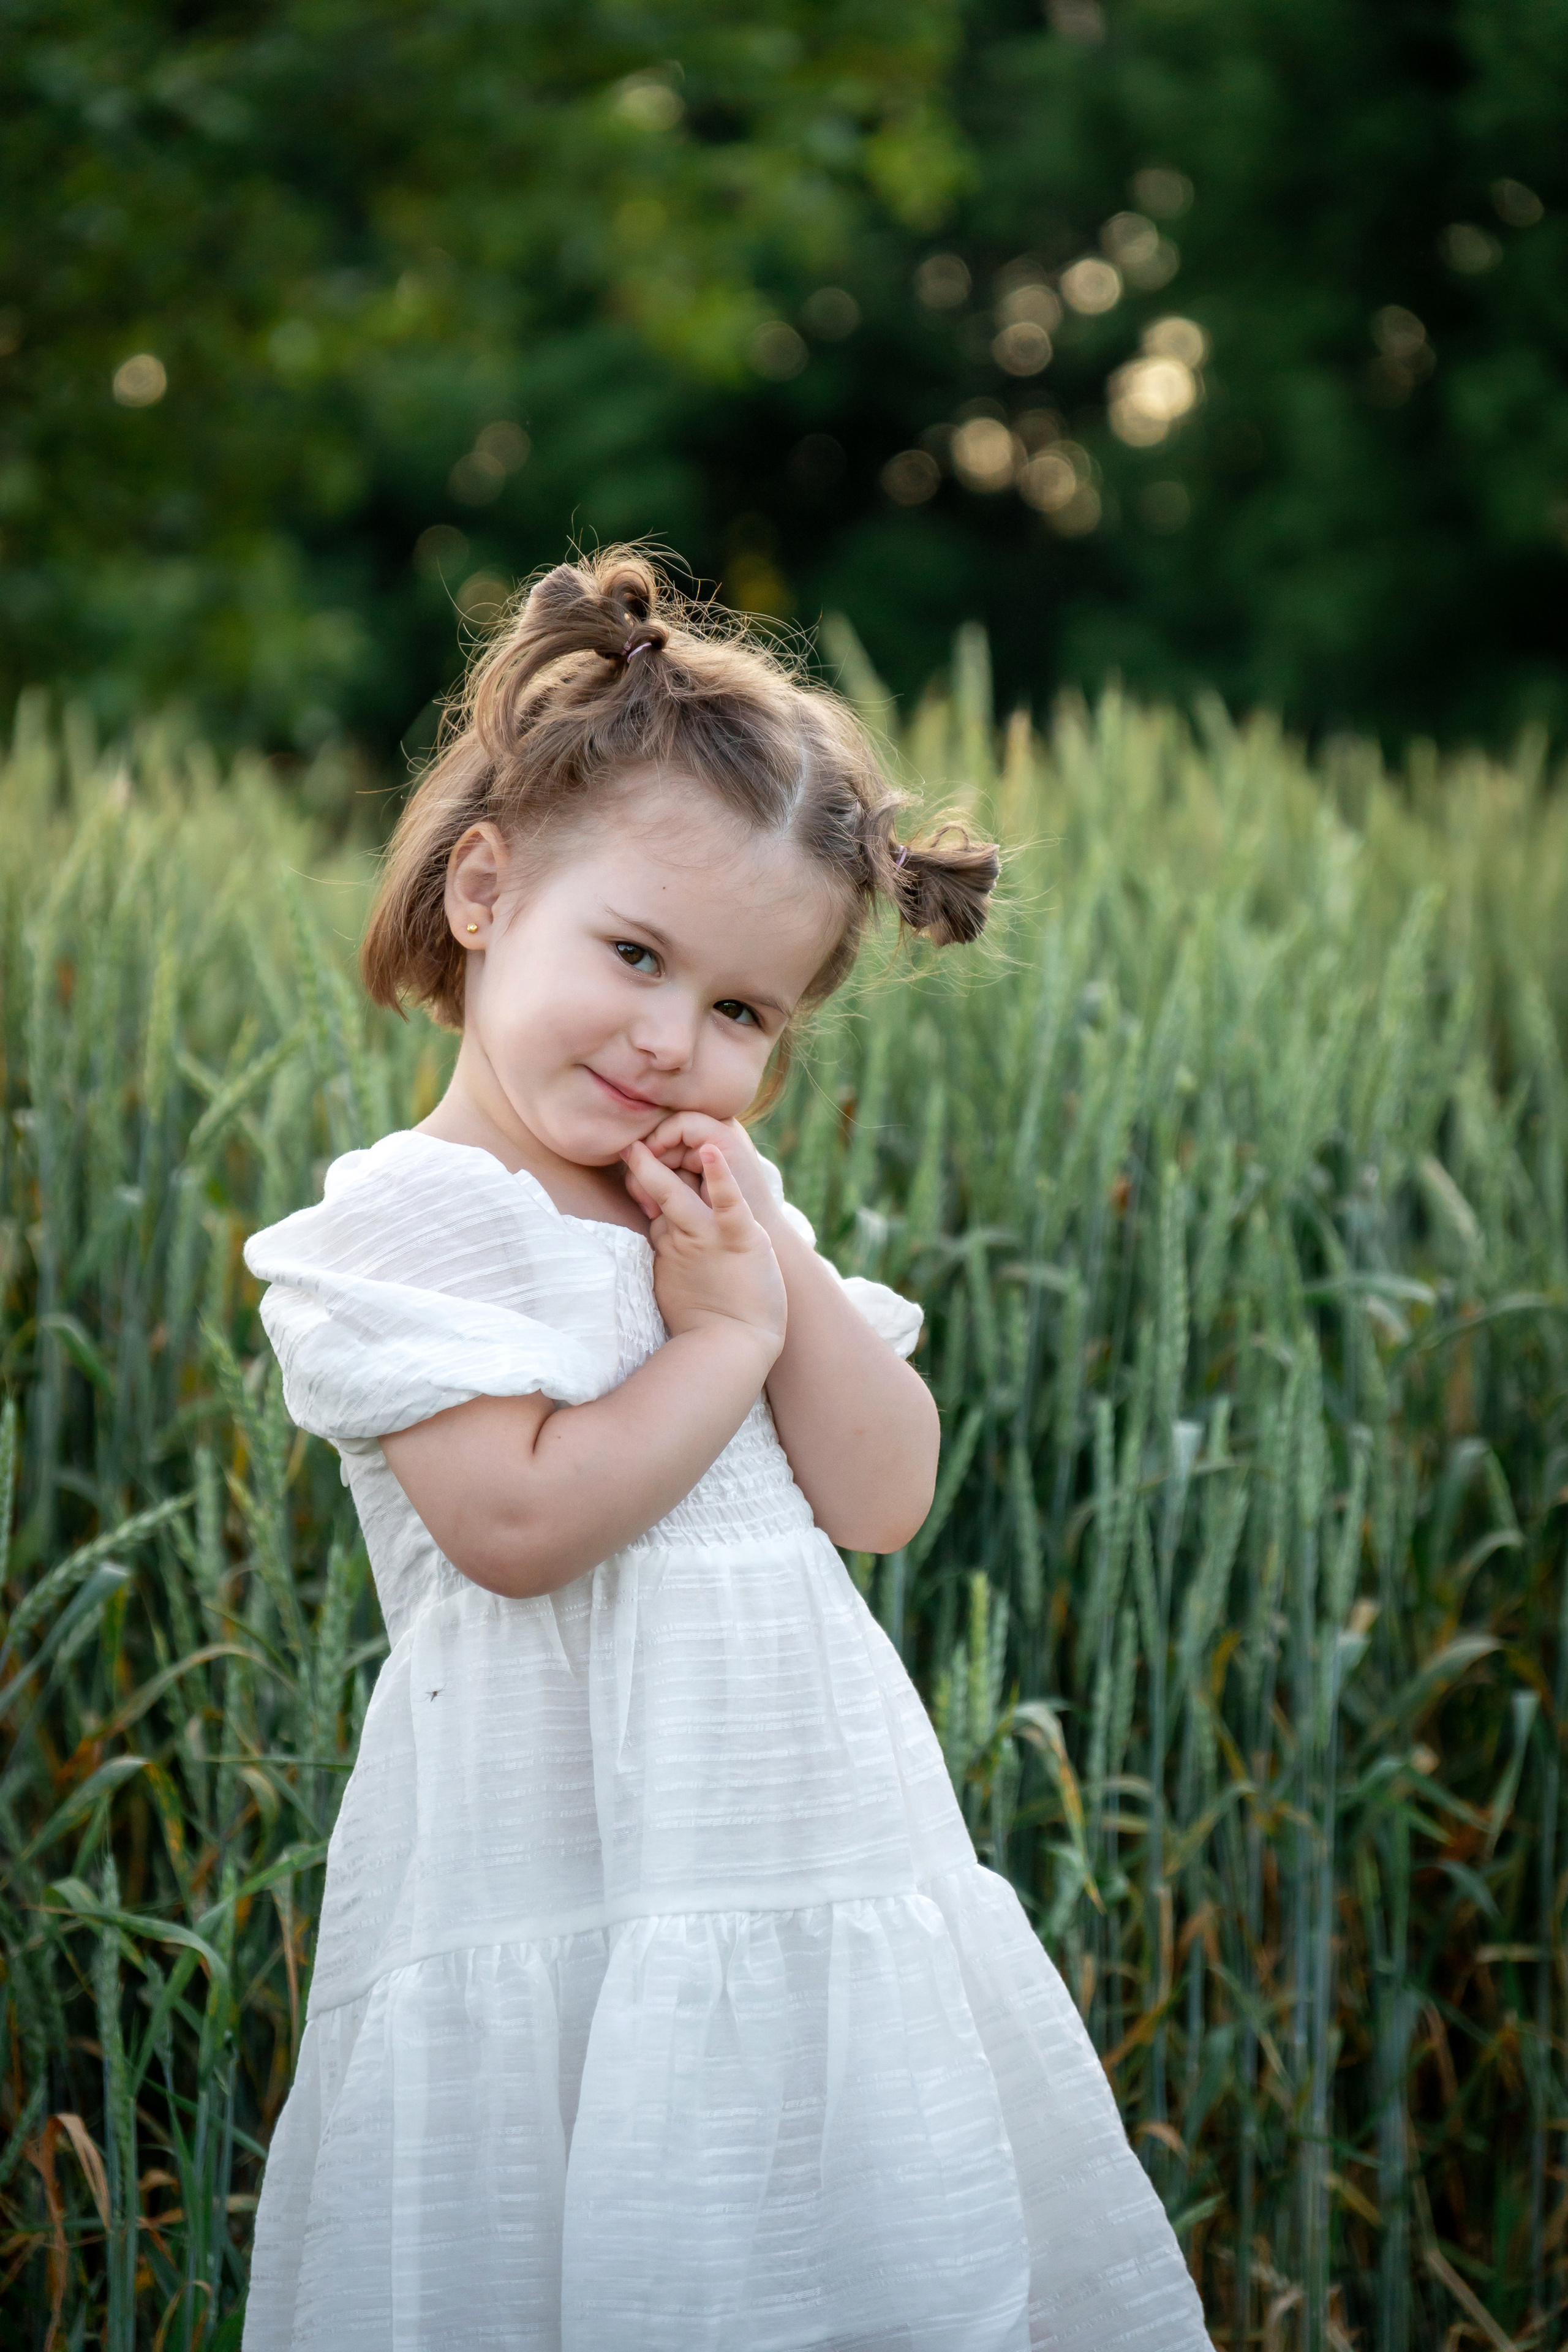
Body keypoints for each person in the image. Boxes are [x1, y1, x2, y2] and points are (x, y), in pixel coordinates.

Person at [239, 551, 1210, 2351]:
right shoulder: (412, 1225)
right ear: (482, 888)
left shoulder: (706, 1206)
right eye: (635, 957)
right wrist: (724, 1344)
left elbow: (885, 1495)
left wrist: (767, 1263)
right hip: (565, 1894)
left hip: (808, 1862)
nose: (674, 1042)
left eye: (746, 1015)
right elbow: (520, 1522)